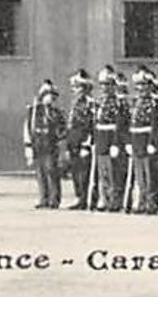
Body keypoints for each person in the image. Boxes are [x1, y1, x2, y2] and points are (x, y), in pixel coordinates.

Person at [90, 66, 129, 213]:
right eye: (102, 84)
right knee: (103, 173)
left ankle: (115, 201)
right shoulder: (100, 102)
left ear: (114, 86)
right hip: (101, 140)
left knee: (114, 174)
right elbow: (96, 123)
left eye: (108, 84)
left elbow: (120, 125)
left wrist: (116, 143)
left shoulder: (119, 103)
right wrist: (94, 140)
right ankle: (104, 199)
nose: (104, 88)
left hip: (112, 140)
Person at [23, 79, 66, 209]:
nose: (51, 98)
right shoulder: (34, 111)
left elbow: (63, 129)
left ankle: (54, 199)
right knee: (40, 173)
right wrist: (28, 147)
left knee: (52, 172)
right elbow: (28, 129)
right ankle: (43, 198)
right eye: (48, 94)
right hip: (38, 145)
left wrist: (60, 142)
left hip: (51, 146)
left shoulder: (56, 113)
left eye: (53, 95)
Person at [127, 66, 158, 214]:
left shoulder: (156, 104)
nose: (141, 88)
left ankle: (152, 202)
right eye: (138, 85)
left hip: (148, 140)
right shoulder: (135, 103)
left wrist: (153, 142)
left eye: (144, 85)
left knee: (151, 174)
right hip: (137, 140)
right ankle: (142, 201)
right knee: (140, 175)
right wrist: (129, 141)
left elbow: (157, 125)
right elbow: (131, 124)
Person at [66, 68, 96, 210]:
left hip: (84, 141)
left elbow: (91, 125)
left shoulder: (90, 103)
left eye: (77, 87)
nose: (74, 90)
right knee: (75, 171)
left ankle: (86, 198)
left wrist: (87, 144)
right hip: (73, 141)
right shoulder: (75, 104)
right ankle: (79, 197)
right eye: (74, 87)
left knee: (85, 173)